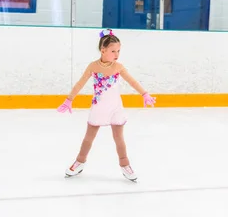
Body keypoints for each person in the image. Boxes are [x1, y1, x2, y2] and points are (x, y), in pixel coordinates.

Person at [57, 29, 156, 181]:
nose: (117, 54)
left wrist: (144, 94)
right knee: (89, 138)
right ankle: (79, 162)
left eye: (118, 51)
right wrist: (69, 99)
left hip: (116, 108)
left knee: (119, 138)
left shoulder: (118, 67)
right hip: (98, 108)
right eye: (113, 51)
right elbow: (80, 83)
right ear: (103, 50)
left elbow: (132, 81)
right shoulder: (93, 66)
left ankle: (125, 165)